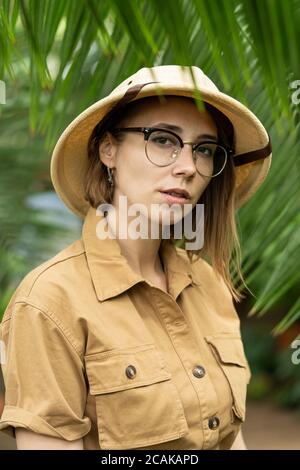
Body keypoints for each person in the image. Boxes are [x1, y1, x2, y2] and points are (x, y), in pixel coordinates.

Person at [0, 65, 272, 450]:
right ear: (108, 149)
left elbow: (232, 439)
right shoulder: (49, 302)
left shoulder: (207, 283)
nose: (188, 166)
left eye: (205, 150)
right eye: (163, 140)